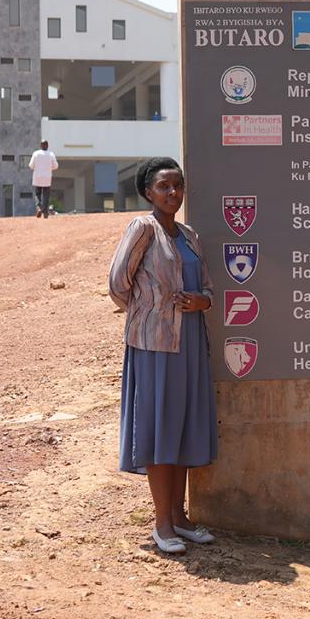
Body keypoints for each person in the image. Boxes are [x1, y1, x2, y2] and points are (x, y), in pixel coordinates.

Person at [109, 157, 218, 555]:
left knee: (184, 425)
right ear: (148, 193)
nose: (173, 192)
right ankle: (161, 524)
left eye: (178, 185)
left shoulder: (189, 235)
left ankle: (180, 517)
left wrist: (202, 301)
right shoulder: (142, 228)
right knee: (160, 429)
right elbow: (118, 284)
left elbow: (208, 286)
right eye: (164, 186)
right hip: (155, 346)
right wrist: (153, 313)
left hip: (190, 343)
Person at [28, 140, 58, 219]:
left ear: (40, 146)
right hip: (47, 177)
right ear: (47, 145)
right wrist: (49, 168)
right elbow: (56, 166)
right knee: (46, 195)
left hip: (37, 177)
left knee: (37, 194)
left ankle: (39, 208)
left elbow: (31, 165)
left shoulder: (36, 153)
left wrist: (37, 167)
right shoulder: (51, 154)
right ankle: (45, 213)